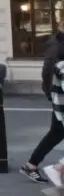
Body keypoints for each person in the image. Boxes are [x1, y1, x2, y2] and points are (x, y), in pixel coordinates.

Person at [21, 33, 64, 182]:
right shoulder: (56, 47)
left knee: (56, 133)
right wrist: (49, 91)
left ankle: (31, 165)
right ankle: (57, 168)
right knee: (56, 133)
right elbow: (49, 70)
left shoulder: (57, 45)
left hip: (58, 97)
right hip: (60, 98)